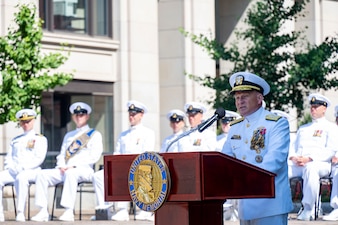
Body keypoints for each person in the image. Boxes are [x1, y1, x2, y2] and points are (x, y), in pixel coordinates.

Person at [221, 71, 293, 225]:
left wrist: (242, 180)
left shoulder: (276, 123)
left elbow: (274, 161)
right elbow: (224, 162)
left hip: (270, 205)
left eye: (245, 96)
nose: (240, 101)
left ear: (259, 98)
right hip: (245, 205)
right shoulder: (235, 127)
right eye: (237, 98)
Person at [31, 102, 103, 222]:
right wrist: (61, 166)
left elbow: (94, 156)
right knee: (42, 175)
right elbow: (62, 154)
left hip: (84, 169)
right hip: (65, 169)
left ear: (87, 116)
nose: (79, 117)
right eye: (76, 115)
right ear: (73, 117)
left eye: (82, 115)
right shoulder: (69, 135)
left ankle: (68, 211)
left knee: (71, 173)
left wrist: (73, 165)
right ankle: (43, 211)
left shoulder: (94, 134)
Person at [92, 100, 155, 222]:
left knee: (132, 173)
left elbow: (146, 155)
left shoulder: (148, 133)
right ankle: (105, 211)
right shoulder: (123, 135)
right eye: (130, 114)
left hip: (140, 167)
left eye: (134, 114)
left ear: (141, 115)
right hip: (122, 167)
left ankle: (130, 210)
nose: (131, 116)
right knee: (98, 176)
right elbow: (117, 153)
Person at [288, 93, 338, 221]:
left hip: (320, 163)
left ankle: (308, 209)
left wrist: (309, 158)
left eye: (316, 107)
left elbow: (331, 150)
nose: (313, 109)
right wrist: (294, 157)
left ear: (324, 108)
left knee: (311, 169)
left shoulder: (331, 127)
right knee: (280, 170)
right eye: (312, 107)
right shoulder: (303, 128)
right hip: (299, 163)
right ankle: (278, 207)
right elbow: (293, 146)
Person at [0, 109, 47, 222]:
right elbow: (9, 157)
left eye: (28, 121)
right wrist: (10, 167)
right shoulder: (16, 140)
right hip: (14, 170)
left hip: (31, 170)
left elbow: (39, 158)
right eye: (23, 122)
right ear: (20, 123)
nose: (26, 124)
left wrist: (24, 167)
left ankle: (20, 212)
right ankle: (0, 212)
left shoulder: (40, 139)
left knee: (22, 178)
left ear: (33, 121)